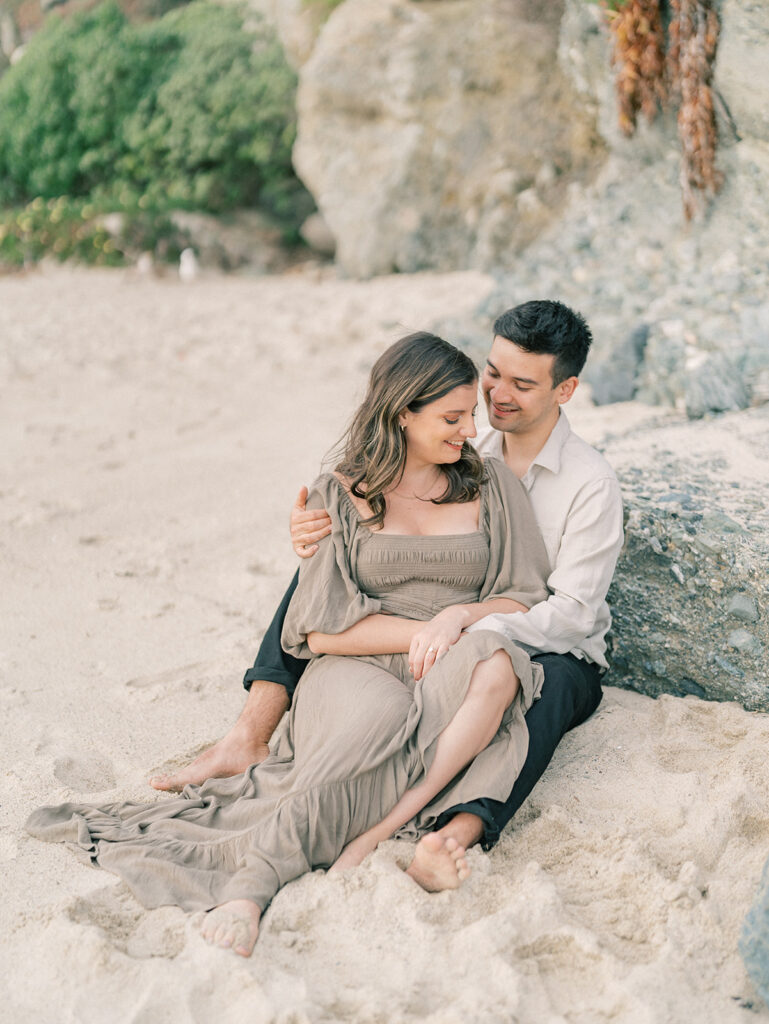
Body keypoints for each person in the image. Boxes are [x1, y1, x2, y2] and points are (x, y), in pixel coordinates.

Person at [28, 333, 552, 957]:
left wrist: (457, 617)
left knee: (500, 666)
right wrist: (424, 630)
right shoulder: (338, 492)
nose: (469, 430)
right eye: (451, 417)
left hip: (453, 658)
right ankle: (252, 884)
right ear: (402, 412)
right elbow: (323, 628)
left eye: (470, 414)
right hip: (356, 662)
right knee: (370, 734)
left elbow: (521, 596)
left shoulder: (491, 483)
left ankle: (362, 836)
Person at [150, 300, 625, 893]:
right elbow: (359, 554)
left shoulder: (589, 483)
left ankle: (452, 836)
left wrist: (464, 626)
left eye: (522, 384)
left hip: (553, 642)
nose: (496, 397)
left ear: (566, 389)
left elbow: (570, 615)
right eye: (493, 374)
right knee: (313, 579)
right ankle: (248, 735)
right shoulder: (466, 448)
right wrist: (316, 536)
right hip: (450, 634)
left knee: (540, 697)